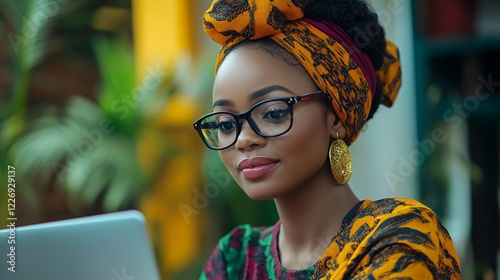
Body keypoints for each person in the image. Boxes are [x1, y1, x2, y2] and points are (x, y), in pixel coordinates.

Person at [193, 0, 462, 279]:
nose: (243, 139)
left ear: (335, 116)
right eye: (226, 123)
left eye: (273, 113)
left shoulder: (399, 237)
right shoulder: (235, 258)